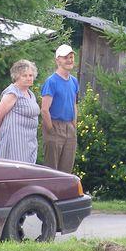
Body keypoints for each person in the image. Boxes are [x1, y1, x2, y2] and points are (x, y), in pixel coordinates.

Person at [0, 59, 40, 164]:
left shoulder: (30, 93)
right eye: (24, 75)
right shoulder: (12, 93)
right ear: (17, 76)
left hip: (29, 142)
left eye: (30, 75)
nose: (28, 78)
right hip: (14, 142)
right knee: (14, 171)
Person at [41, 44, 79, 173]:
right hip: (55, 126)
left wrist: (74, 125)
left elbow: (74, 104)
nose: (69, 60)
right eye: (65, 57)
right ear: (58, 60)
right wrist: (51, 130)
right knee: (52, 171)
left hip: (70, 127)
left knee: (66, 171)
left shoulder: (74, 81)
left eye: (71, 57)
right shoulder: (51, 81)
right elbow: (44, 110)